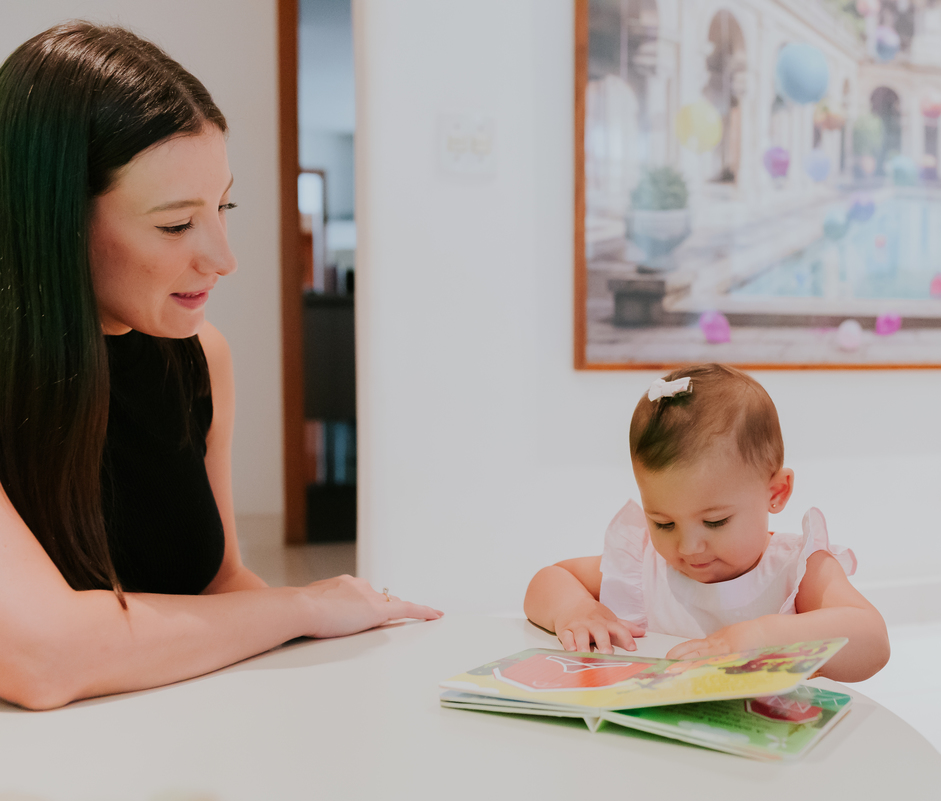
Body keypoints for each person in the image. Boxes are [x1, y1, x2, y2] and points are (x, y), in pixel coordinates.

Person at [0, 22, 440, 710]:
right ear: (56, 222)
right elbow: (45, 656)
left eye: (223, 205)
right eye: (176, 224)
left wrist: (353, 682)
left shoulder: (201, 358)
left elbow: (219, 580)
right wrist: (304, 605)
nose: (223, 257)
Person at [524, 364, 889, 682]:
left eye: (715, 522)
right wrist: (575, 610)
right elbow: (549, 579)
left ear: (775, 492)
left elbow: (872, 641)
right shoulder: (643, 568)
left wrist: (763, 636)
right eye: (663, 523)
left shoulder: (797, 570)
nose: (687, 547)